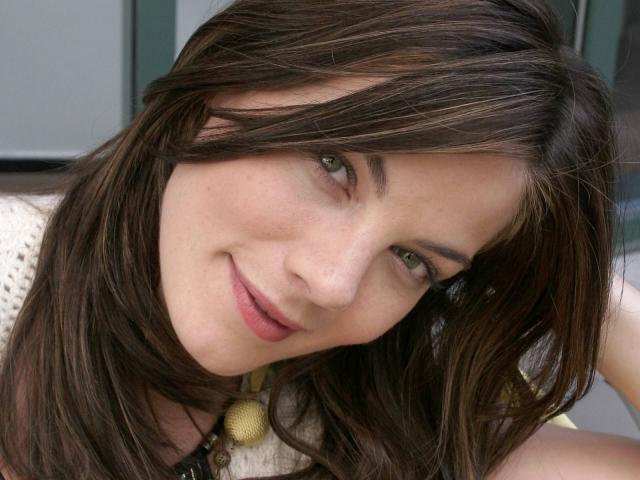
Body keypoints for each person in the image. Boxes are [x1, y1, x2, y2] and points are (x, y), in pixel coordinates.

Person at [1, 0, 639, 478]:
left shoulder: (370, 421)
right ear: (227, 75)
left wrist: (587, 292)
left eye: (412, 259)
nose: (333, 283)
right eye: (334, 166)